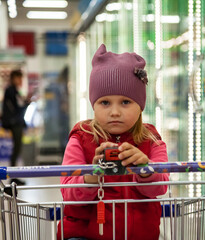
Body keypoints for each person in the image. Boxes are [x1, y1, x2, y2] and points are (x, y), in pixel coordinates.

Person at [57, 44, 169, 240]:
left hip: (140, 235)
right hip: (84, 235)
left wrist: (144, 168)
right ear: (93, 104)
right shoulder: (81, 138)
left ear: (140, 106)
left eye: (125, 102)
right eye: (105, 102)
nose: (115, 112)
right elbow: (68, 193)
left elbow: (160, 187)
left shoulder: (151, 140)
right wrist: (92, 175)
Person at [1, 70, 31, 185]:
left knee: (16, 149)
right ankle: (13, 176)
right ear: (14, 78)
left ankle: (13, 175)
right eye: (19, 78)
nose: (20, 81)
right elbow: (18, 108)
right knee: (16, 149)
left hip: (15, 123)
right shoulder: (11, 91)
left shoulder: (12, 90)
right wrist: (27, 102)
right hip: (15, 123)